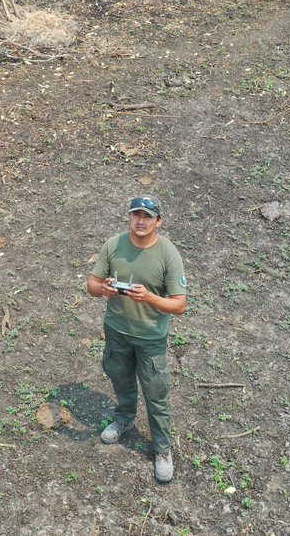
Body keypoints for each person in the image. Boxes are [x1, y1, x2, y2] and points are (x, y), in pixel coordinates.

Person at [86, 195, 188, 483]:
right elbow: (92, 284)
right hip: (117, 331)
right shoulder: (114, 244)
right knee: (120, 379)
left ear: (158, 222)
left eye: (147, 216)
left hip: (150, 338)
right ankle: (123, 420)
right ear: (129, 217)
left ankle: (163, 450)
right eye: (136, 215)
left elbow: (179, 305)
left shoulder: (168, 253)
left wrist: (151, 298)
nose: (140, 221)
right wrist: (101, 289)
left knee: (156, 393)